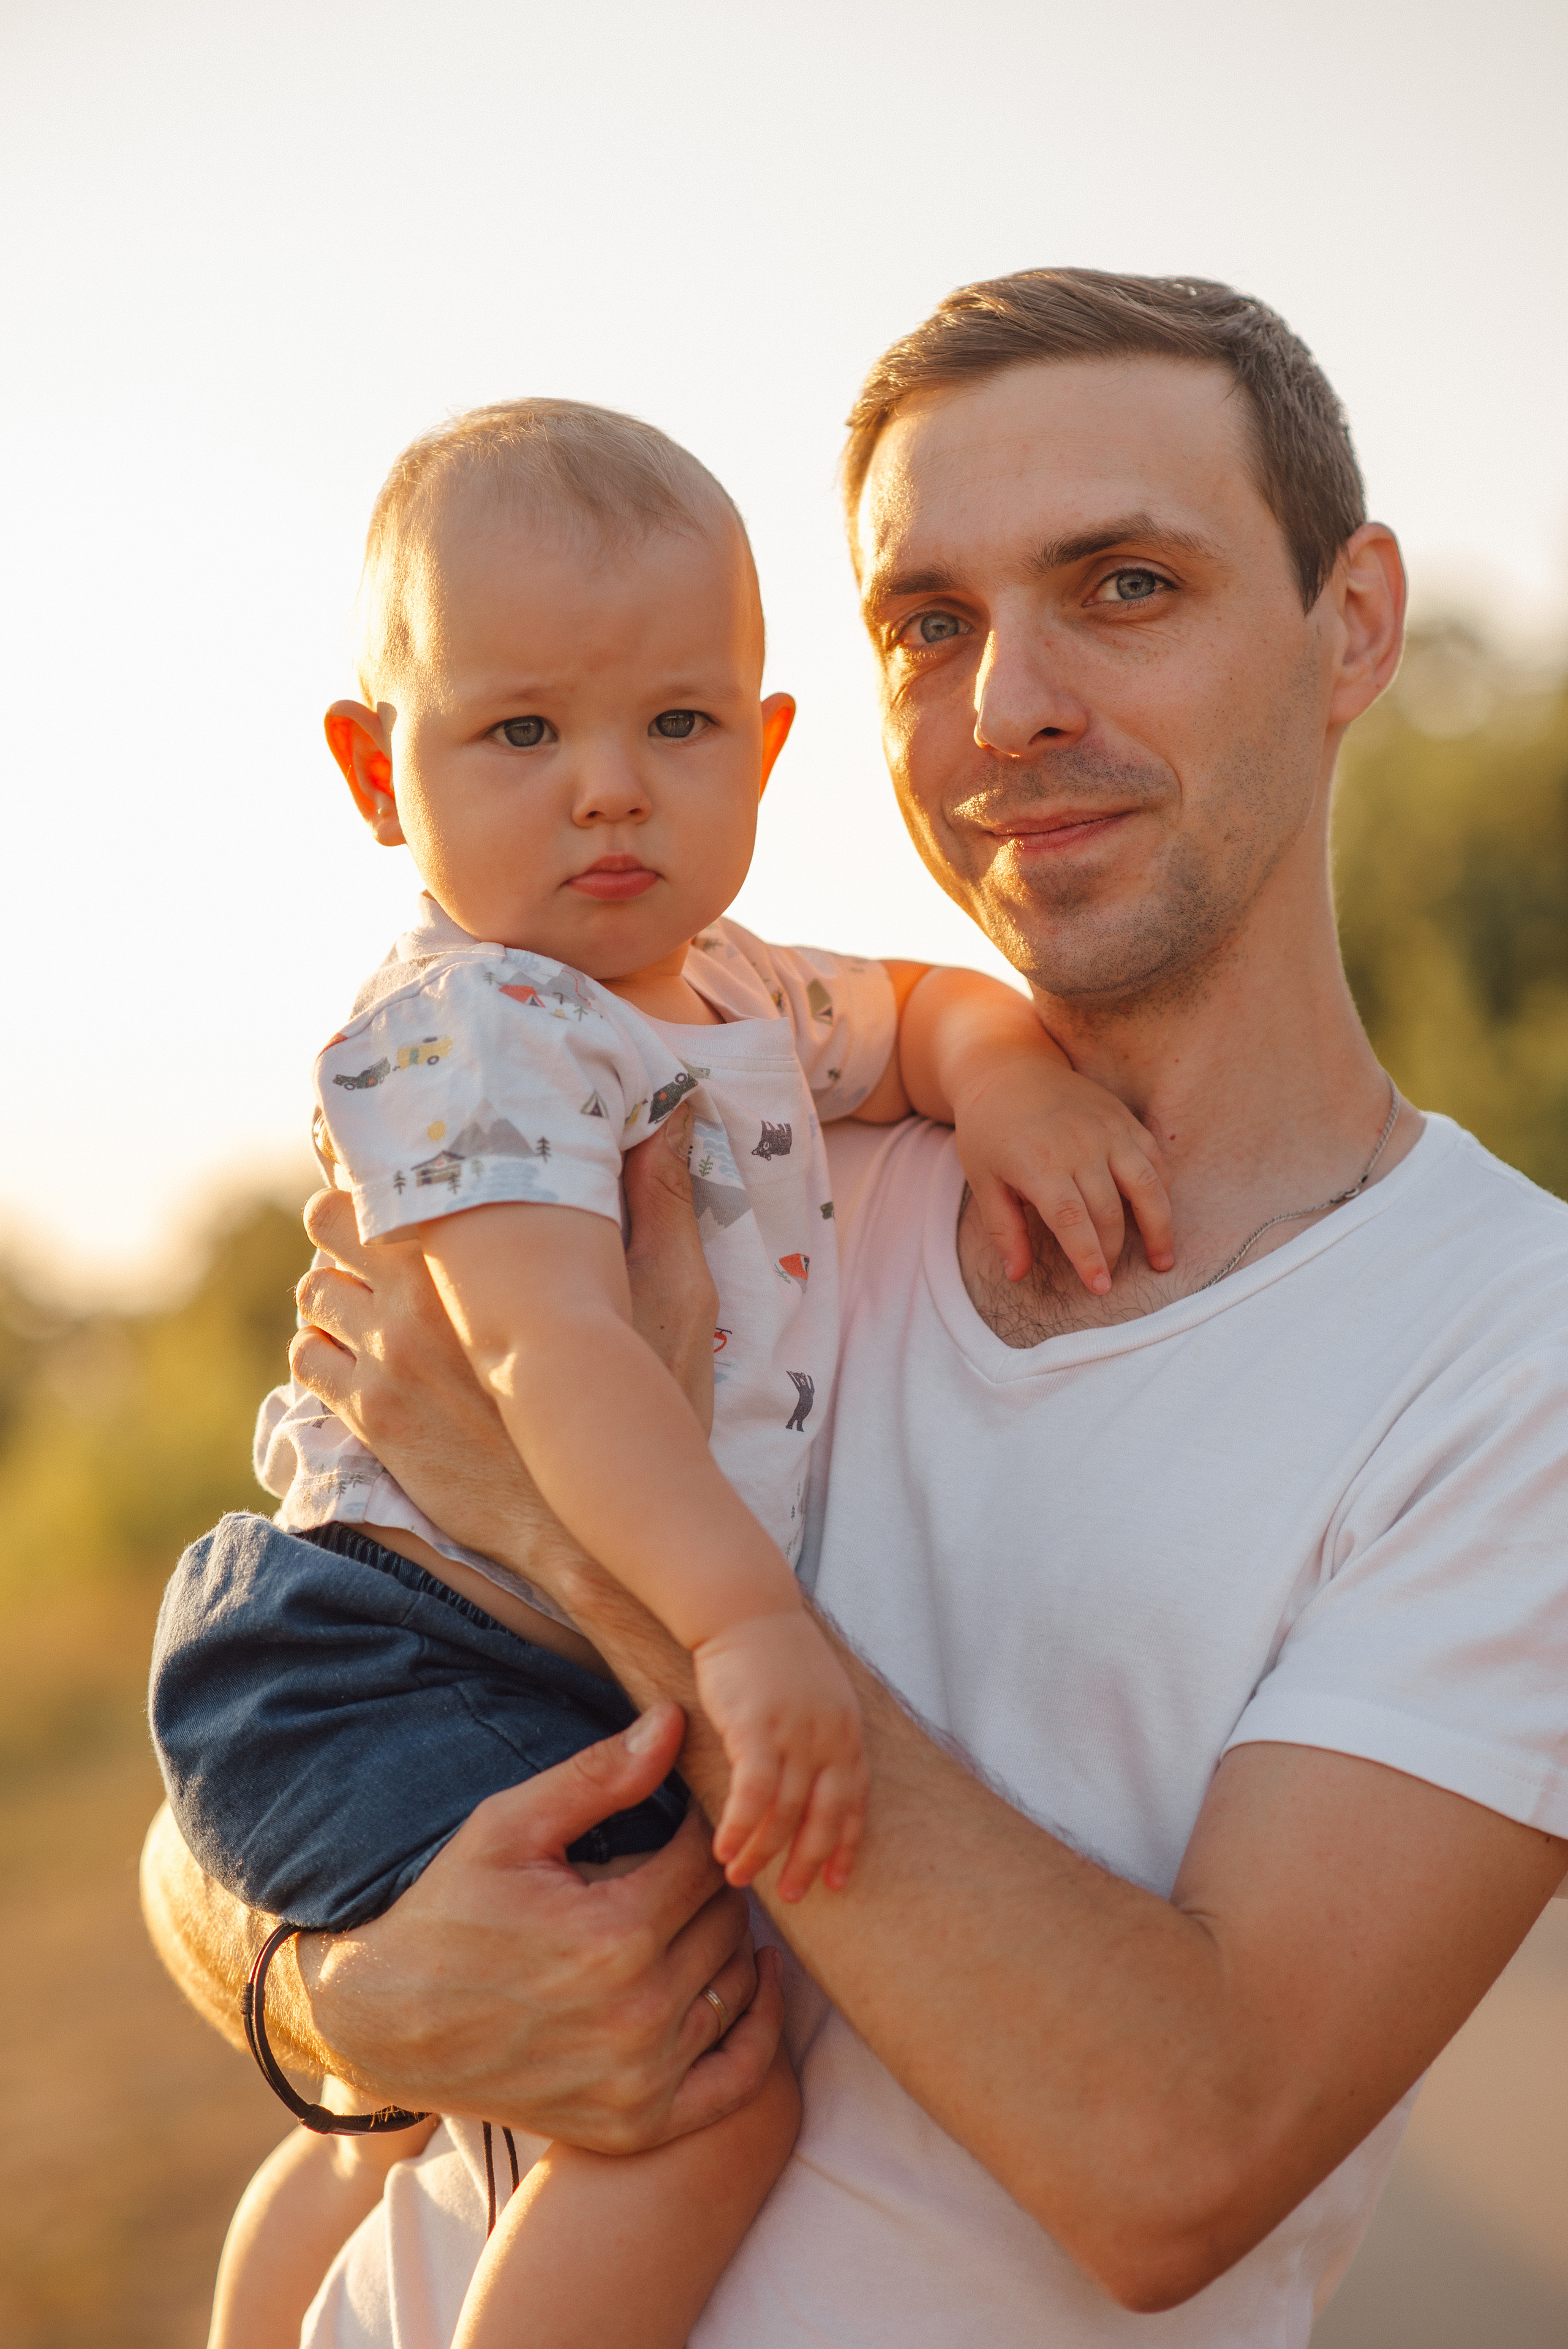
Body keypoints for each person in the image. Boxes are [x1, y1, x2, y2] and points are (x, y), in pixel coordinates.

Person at [142, 271, 1568, 2348]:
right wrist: (327, 1991)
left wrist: (587, 1563)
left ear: (1354, 622)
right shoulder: (721, 1148)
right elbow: (274, 1704)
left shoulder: (1508, 1350)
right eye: (929, 624)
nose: (1010, 704)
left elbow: (1183, 2151)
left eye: (1129, 584)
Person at [147, 395, 1174, 2349]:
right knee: (703, 2094)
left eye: (677, 727)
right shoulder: (477, 1027)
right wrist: (740, 1625)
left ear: (767, 747)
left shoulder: (732, 985)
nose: (609, 790)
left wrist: (1015, 1075)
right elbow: (547, 1356)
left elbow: (927, 1007)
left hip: (476, 1634)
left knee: (411, 2133)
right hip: (401, 1638)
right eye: (524, 730)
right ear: (381, 767)